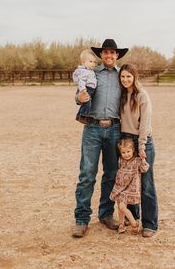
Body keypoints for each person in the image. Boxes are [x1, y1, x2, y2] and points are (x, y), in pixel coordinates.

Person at [72, 39, 129, 238]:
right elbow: (77, 96)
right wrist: (79, 98)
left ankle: (106, 214)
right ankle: (81, 219)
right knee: (87, 174)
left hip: (114, 129)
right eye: (106, 53)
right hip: (92, 129)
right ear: (101, 55)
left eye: (112, 53)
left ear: (117, 56)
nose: (109, 56)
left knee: (111, 174)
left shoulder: (122, 76)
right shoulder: (91, 73)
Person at [119, 63, 159, 237]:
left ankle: (150, 223)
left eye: (129, 76)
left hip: (142, 141)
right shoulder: (121, 95)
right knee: (129, 181)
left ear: (135, 77)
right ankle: (133, 216)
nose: (126, 79)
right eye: (123, 76)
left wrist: (142, 145)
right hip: (127, 141)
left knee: (146, 184)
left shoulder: (142, 95)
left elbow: (145, 123)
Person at [110, 138, 149, 234]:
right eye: (123, 152)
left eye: (128, 151)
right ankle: (121, 224)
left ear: (133, 150)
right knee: (119, 205)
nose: (126, 154)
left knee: (123, 207)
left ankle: (134, 223)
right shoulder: (121, 160)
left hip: (130, 188)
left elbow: (145, 169)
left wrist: (143, 159)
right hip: (120, 186)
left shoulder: (136, 161)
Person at [72, 49, 97, 123]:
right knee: (87, 103)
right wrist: (83, 89)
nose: (93, 64)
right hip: (87, 89)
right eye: (90, 61)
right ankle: (83, 116)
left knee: (87, 103)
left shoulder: (90, 70)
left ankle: (79, 115)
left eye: (94, 62)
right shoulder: (84, 72)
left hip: (91, 89)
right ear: (83, 62)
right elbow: (81, 80)